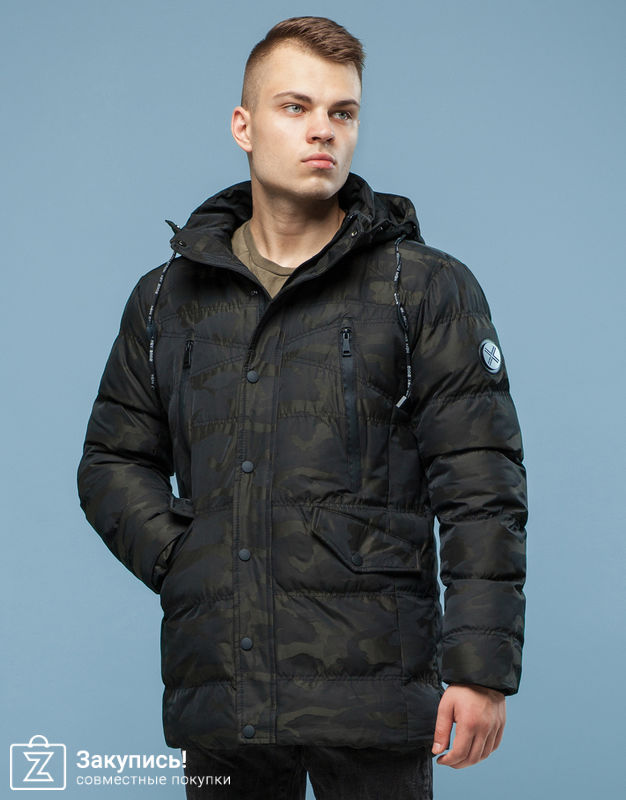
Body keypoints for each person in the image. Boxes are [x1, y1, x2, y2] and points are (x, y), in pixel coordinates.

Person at [77, 15, 527, 800]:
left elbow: (482, 484)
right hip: (224, 691)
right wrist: (185, 558)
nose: (323, 130)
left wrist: (479, 671)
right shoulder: (165, 298)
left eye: (342, 112)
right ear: (243, 126)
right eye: (296, 107)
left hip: (375, 695)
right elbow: (111, 460)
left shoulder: (422, 286)